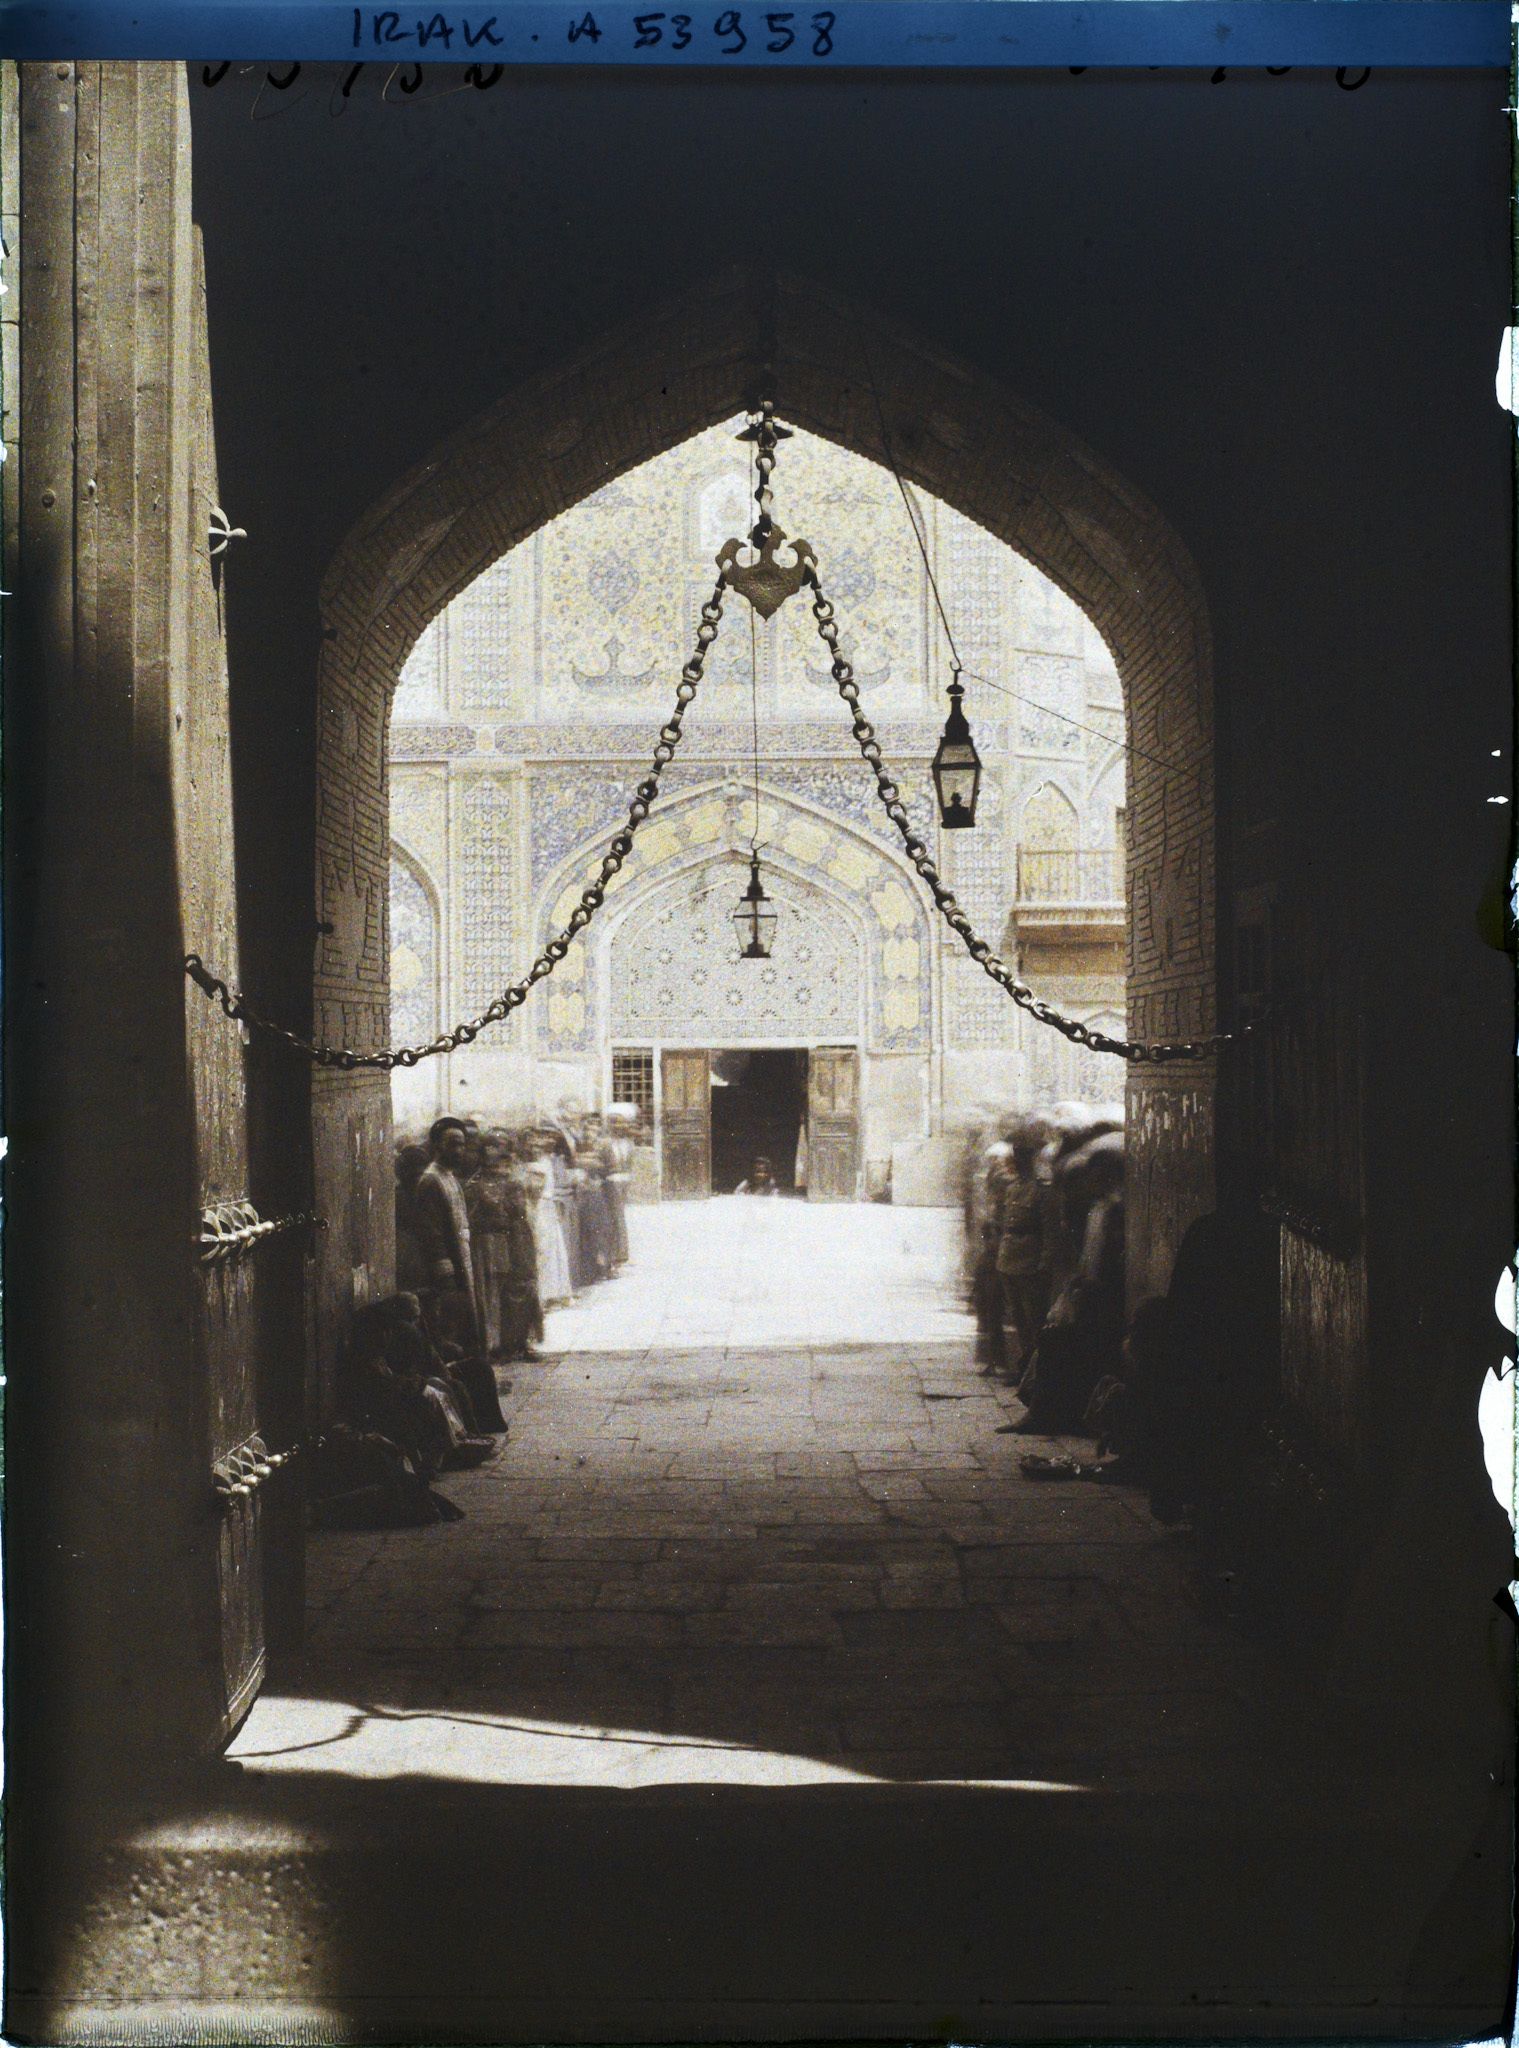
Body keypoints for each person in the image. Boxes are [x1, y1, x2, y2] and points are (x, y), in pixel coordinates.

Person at [413, 1116, 479, 1345]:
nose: (459, 1150)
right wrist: (445, 1268)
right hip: (447, 1266)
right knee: (450, 1322)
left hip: (461, 1257)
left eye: (462, 1144)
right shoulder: (431, 1180)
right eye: (452, 1144)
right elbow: (431, 1231)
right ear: (438, 1145)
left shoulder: (448, 1176)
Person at [466, 1132, 519, 1358]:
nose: (492, 1154)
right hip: (484, 1242)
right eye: (488, 1149)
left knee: (502, 1289)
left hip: (503, 1241)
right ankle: (489, 1343)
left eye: (496, 1149)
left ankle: (504, 1341)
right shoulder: (474, 1184)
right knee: (486, 1291)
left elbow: (516, 1211)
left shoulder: (508, 1182)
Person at [523, 1159, 573, 1307]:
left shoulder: (547, 1162)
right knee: (542, 1250)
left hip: (547, 1209)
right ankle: (542, 1294)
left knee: (552, 1251)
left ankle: (552, 1293)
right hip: (539, 1208)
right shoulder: (532, 1166)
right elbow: (533, 1189)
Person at [603, 1104, 637, 1269]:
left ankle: (621, 1254)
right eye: (615, 1122)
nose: (619, 1126)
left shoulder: (629, 1143)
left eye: (622, 1123)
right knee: (614, 1218)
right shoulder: (605, 1143)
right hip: (609, 1183)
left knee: (619, 1218)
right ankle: (616, 1255)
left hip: (622, 1183)